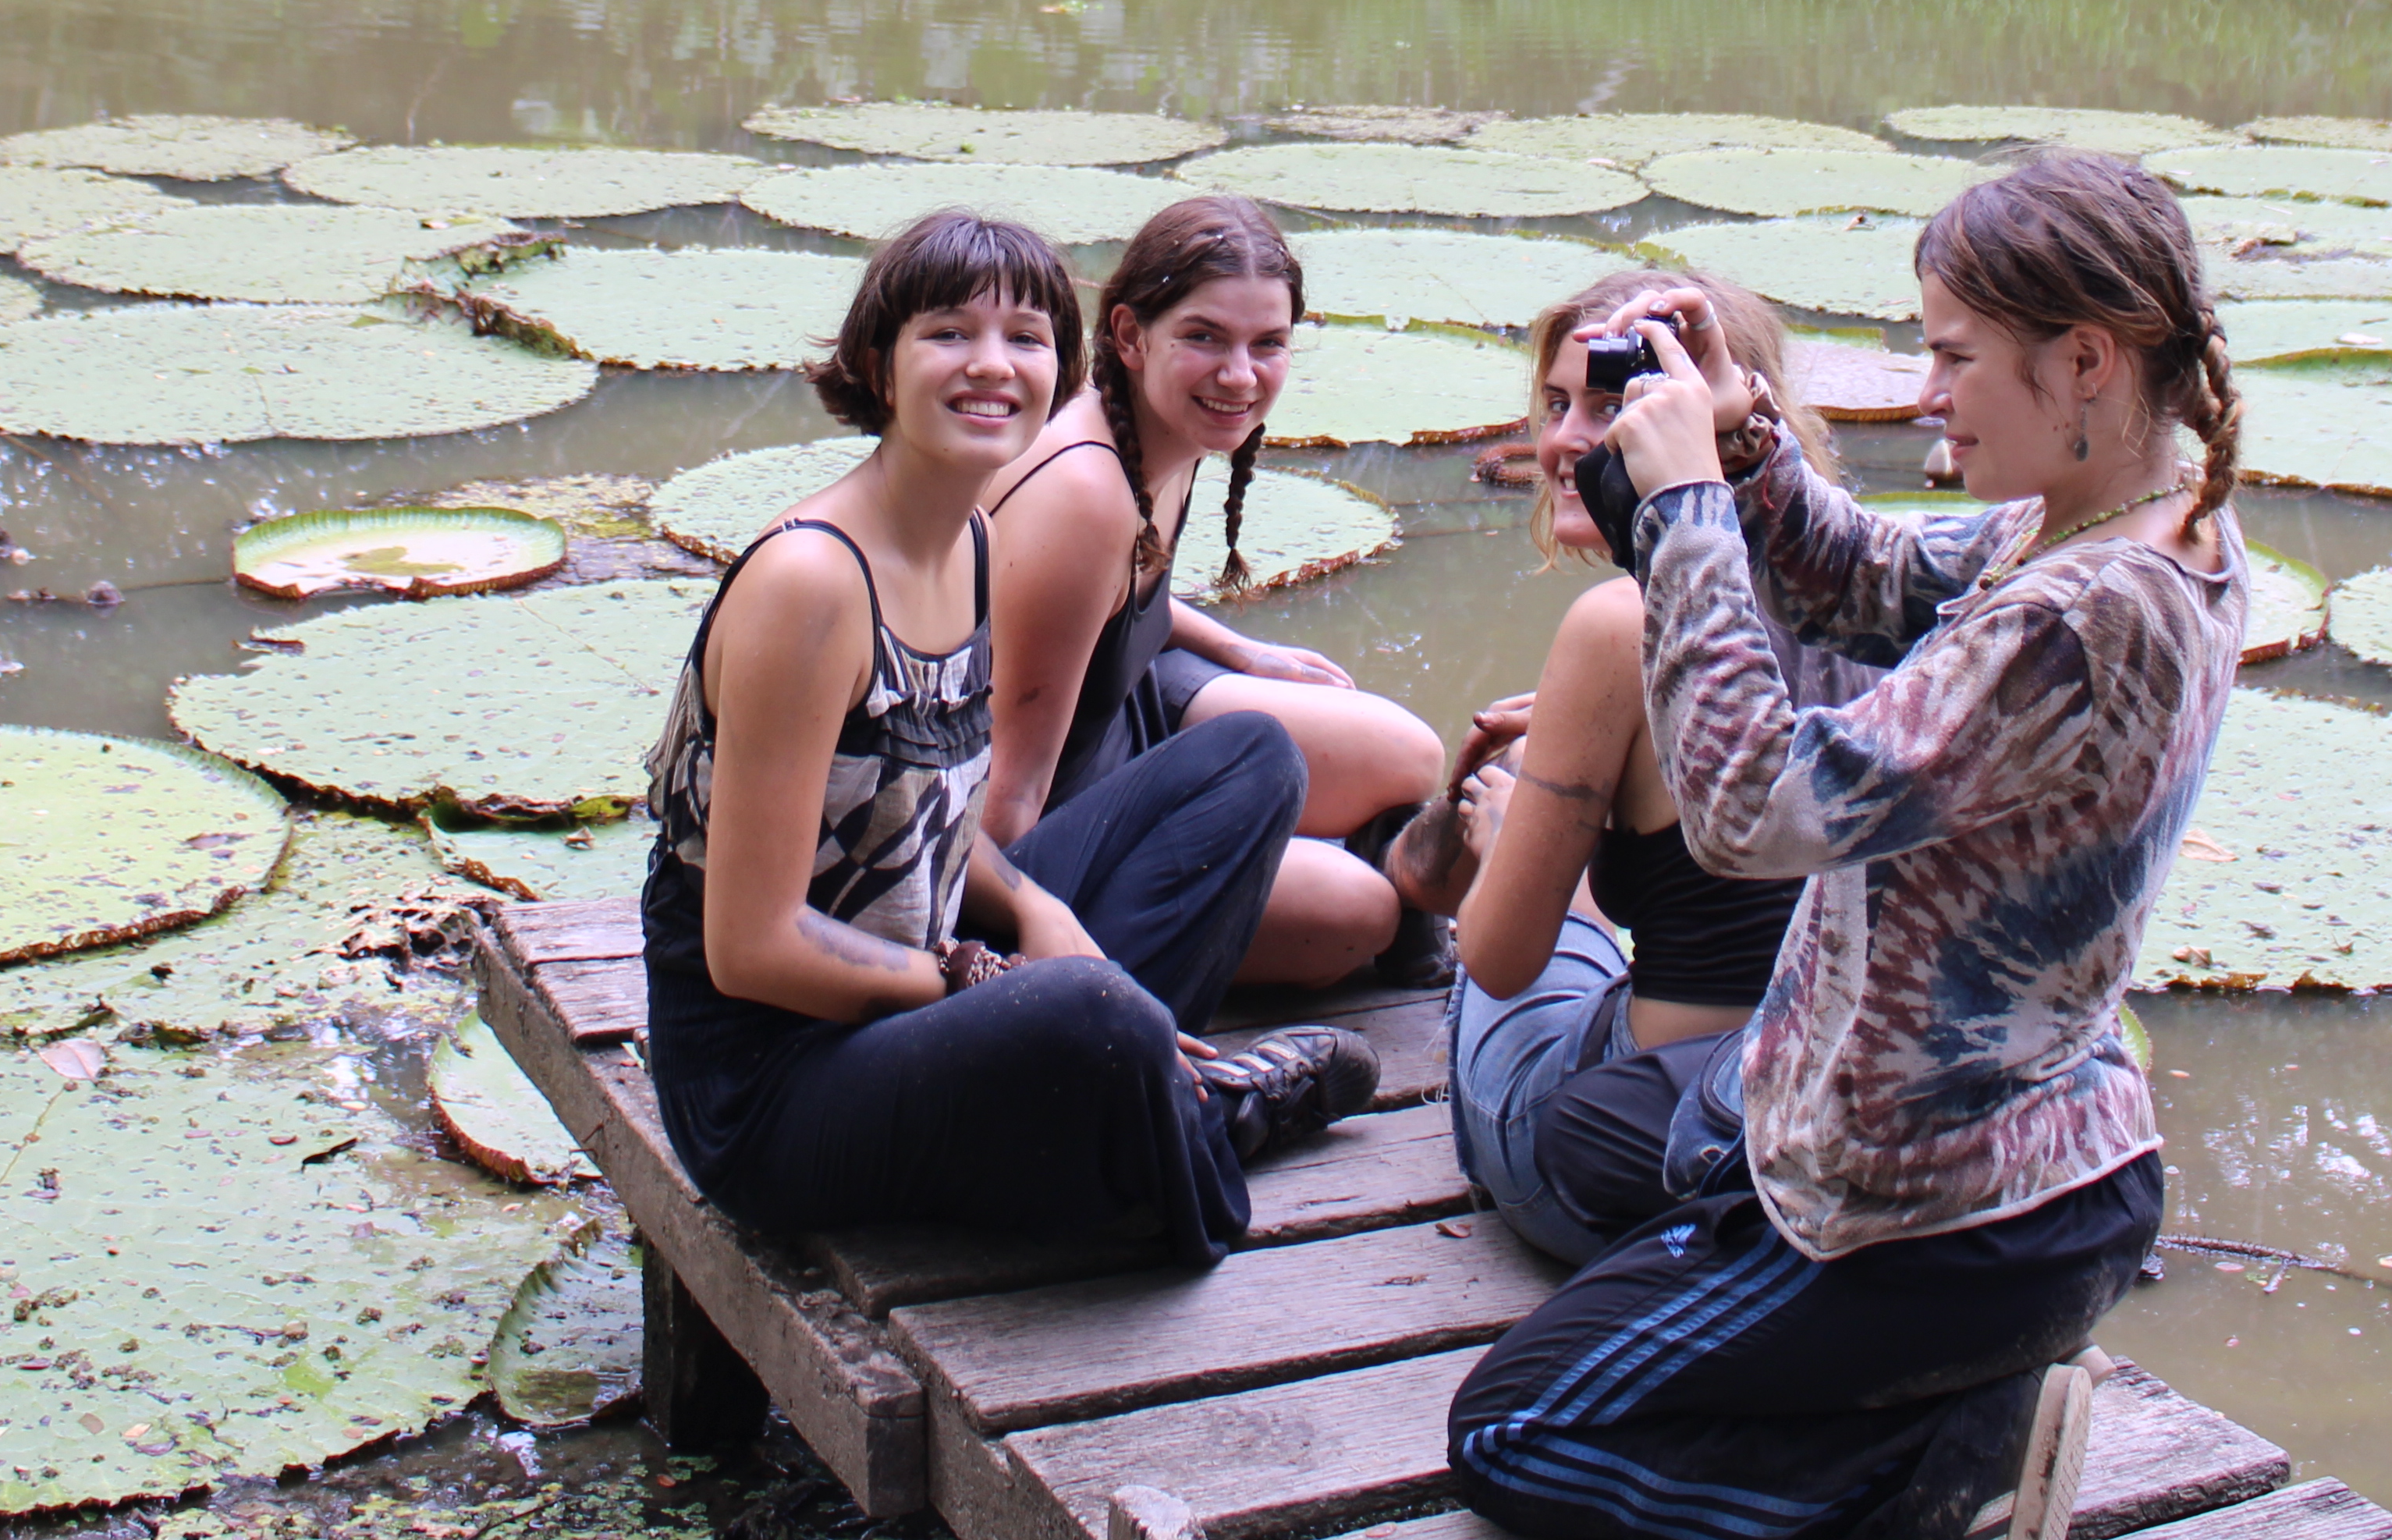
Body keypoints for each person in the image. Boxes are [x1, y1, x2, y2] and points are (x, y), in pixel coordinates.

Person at [1446, 155, 2253, 1540]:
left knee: (1512, 1432)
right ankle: (1966, 1418)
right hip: (2034, 1173)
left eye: (1954, 358)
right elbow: (1869, 581)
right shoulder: (2131, 528)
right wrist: (1748, 435)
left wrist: (1691, 506)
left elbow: (1763, 813)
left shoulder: (2080, 611)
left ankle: (1929, 1498)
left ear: (2087, 361)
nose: (1927, 395)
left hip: (1926, 1218)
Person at [641, 211, 1378, 1269]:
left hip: (921, 967)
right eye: (949, 333)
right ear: (875, 363)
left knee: (1252, 759)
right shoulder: (811, 584)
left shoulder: (971, 541)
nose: (992, 365)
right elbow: (750, 949)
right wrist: (987, 980)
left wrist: (1035, 907)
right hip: (777, 1080)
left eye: (1027, 339)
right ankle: (1207, 1122)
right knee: (1082, 1006)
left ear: (1064, 370)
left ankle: (1127, 1094)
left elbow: (927, 824)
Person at [1436, 268, 1822, 1265]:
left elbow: (1500, 954)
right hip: (1820, 1118)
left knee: (1500, 956)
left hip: (1644, 1155)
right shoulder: (1855, 582)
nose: (1566, 439)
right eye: (1557, 404)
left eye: (1612, 403)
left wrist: (1514, 825)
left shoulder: (1620, 624)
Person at [981, 193, 1452, 988]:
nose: (1239, 375)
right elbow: (1006, 797)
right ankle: (1390, 898)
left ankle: (1396, 881)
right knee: (1357, 913)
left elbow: (1115, 602)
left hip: (1129, 711)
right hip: (1060, 812)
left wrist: (1239, 648)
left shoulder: (1167, 423)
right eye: (1205, 337)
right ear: (1131, 335)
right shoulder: (1083, 493)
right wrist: (1013, 943)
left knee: (1407, 753)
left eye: (1268, 343)